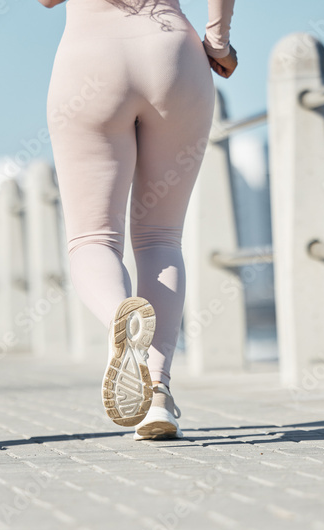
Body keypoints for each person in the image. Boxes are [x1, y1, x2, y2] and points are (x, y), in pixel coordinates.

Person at [37, 0, 237, 439]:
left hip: (89, 62)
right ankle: (158, 395)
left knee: (92, 239)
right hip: (174, 56)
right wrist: (218, 42)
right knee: (160, 237)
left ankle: (120, 321)